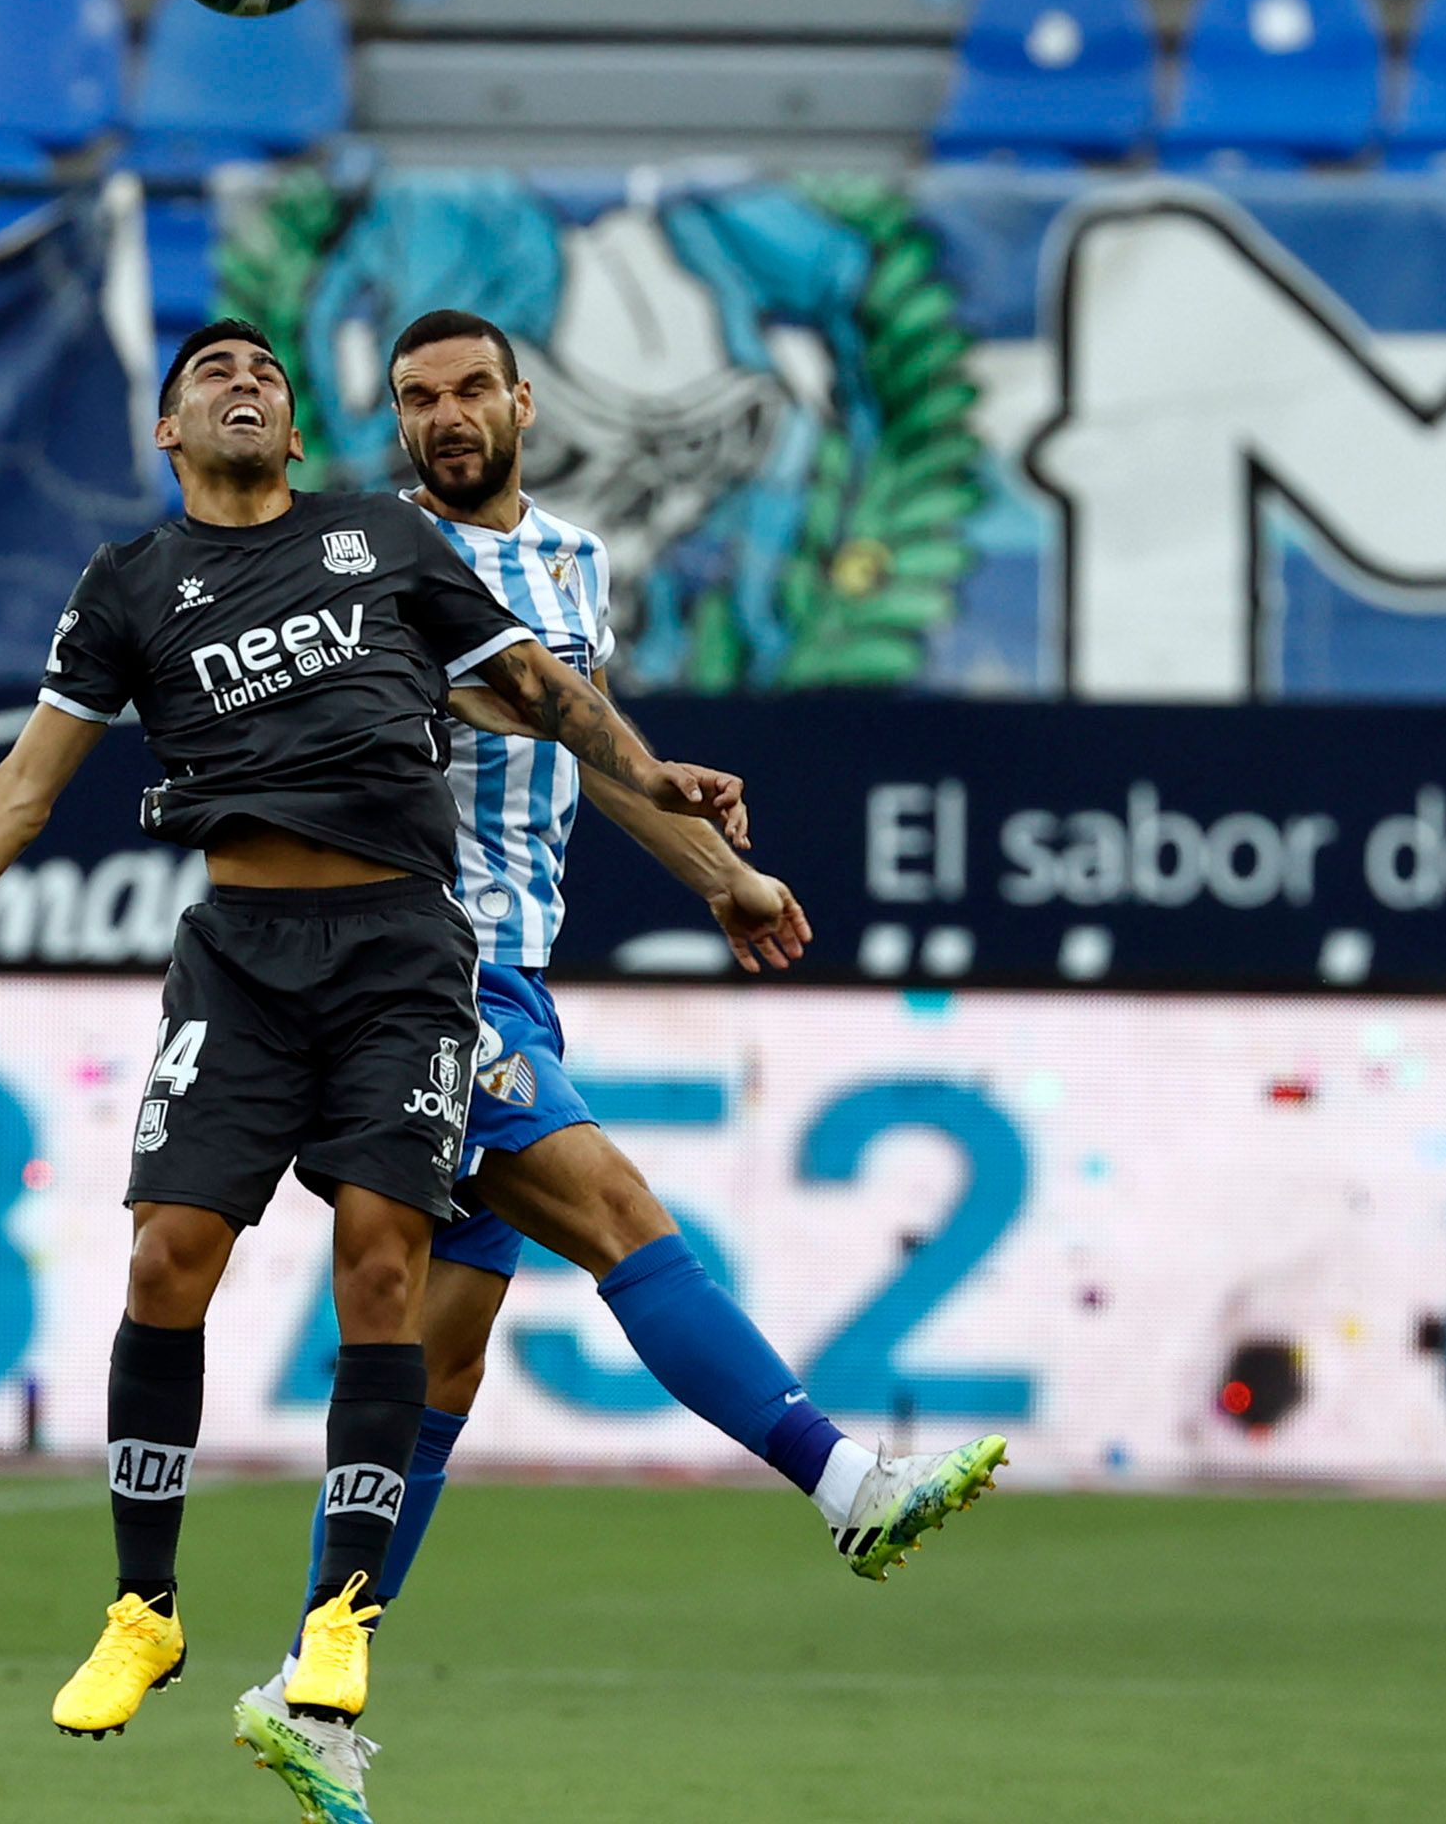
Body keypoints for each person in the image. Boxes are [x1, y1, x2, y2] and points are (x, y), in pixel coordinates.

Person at [0, 320, 750, 1779]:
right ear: (170, 435)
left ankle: (344, 1617)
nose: (241, 384)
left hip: (407, 958)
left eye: (265, 378)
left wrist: (649, 775)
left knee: (384, 1256)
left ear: (294, 436)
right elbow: (17, 792)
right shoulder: (127, 588)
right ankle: (144, 1607)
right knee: (167, 1256)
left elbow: (532, 693)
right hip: (240, 957)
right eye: (209, 378)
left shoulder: (378, 542)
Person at [231, 311, 1008, 1824]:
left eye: (468, 392)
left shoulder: (577, 566)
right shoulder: (366, 560)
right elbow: (499, 700)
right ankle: (844, 1485)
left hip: (508, 974)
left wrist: (714, 871)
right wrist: (646, 769)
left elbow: (579, 748)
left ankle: (311, 1683)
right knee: (621, 1216)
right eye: (414, 401)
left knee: (439, 1369)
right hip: (406, 970)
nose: (443, 419)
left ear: (525, 402)